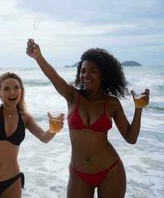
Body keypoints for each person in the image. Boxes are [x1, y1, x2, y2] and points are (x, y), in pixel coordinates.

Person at [26, 39, 150, 198]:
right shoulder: (72, 96)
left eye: (93, 71)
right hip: (78, 174)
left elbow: (131, 138)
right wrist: (38, 57)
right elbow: (53, 76)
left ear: (103, 75)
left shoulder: (111, 103)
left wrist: (138, 108)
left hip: (110, 171)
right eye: (83, 71)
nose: (86, 75)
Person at [0, 41, 65, 197]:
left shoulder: (25, 118)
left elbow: (44, 137)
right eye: (6, 89)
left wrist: (54, 128)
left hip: (12, 180)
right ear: (0, 93)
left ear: (21, 91)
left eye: (16, 87)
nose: (12, 92)